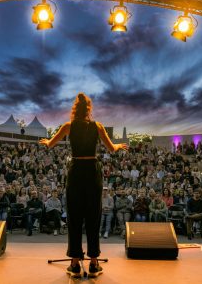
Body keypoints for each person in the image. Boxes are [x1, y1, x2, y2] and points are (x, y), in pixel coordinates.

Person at [39, 93, 128, 278]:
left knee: (75, 218)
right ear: (89, 109)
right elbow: (111, 148)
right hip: (93, 171)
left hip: (76, 170)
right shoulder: (98, 126)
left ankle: (75, 264)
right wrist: (119, 146)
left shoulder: (68, 126)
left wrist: (47, 141)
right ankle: (94, 263)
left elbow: (50, 144)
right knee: (93, 217)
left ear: (74, 109)